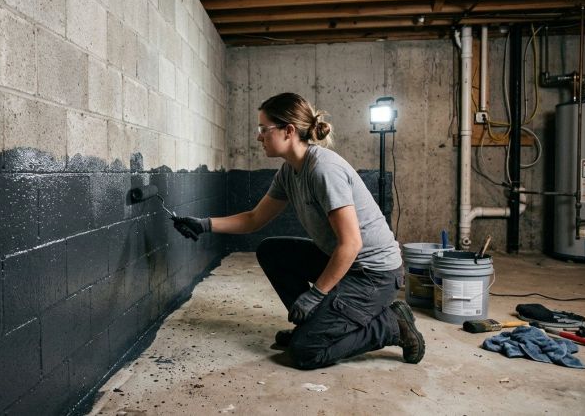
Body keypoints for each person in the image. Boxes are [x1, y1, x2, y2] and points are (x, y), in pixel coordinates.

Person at [171, 92, 425, 370]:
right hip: (345, 264)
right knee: (272, 251)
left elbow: (351, 244)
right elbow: (254, 219)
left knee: (306, 352)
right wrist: (204, 224)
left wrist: (316, 294)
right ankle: (315, 323)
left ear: (288, 131)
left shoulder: (323, 169)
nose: (259, 137)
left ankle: (391, 326)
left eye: (263, 129)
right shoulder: (289, 172)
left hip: (373, 275)